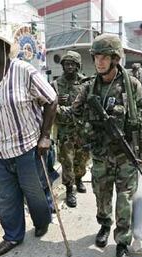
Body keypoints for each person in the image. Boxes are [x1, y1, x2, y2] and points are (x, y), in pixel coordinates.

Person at [64, 34, 142, 257]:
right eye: (96, 57)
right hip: (101, 154)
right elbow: (73, 112)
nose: (99, 62)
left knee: (125, 201)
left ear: (115, 59)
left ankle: (122, 244)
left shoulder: (131, 85)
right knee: (101, 196)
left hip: (125, 154)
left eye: (104, 57)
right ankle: (104, 225)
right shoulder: (90, 86)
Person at [0, 26, 57, 256]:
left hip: (27, 149)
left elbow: (52, 99)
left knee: (35, 194)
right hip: (1, 153)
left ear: (6, 47)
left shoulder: (24, 70)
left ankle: (42, 222)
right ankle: (13, 236)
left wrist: (45, 136)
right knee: (4, 197)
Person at [51, 50, 90, 208]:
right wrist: (57, 102)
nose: (69, 66)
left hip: (82, 130)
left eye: (72, 64)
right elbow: (49, 106)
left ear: (78, 66)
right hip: (65, 131)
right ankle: (69, 190)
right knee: (67, 162)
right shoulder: (55, 84)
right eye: (66, 63)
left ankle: (79, 179)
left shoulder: (86, 83)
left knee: (81, 160)